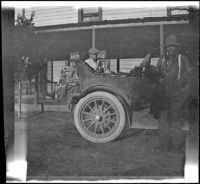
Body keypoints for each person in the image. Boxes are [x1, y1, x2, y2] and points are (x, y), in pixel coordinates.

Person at [142, 35, 191, 152]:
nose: (171, 49)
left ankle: (175, 148)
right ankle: (163, 147)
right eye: (169, 47)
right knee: (163, 122)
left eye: (173, 46)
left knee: (176, 122)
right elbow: (156, 75)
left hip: (177, 96)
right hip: (163, 97)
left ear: (176, 47)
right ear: (166, 48)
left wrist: (183, 94)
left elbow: (189, 79)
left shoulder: (182, 59)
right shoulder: (162, 60)